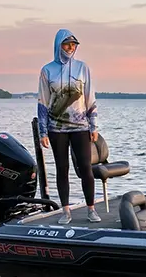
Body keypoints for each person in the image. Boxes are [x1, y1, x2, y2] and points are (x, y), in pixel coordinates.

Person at [37, 29, 100, 224]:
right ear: (59, 46)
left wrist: (93, 126)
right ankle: (66, 211)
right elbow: (43, 102)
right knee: (62, 169)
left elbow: (90, 97)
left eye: (73, 44)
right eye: (67, 44)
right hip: (57, 129)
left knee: (86, 168)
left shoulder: (83, 68)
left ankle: (91, 209)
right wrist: (42, 131)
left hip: (80, 127)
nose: (71, 48)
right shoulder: (47, 70)